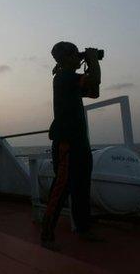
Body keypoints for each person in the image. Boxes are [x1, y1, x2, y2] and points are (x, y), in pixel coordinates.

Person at [41, 41, 102, 250]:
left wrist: (91, 64)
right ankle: (47, 232)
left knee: (82, 186)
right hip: (67, 143)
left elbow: (94, 91)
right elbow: (94, 78)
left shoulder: (70, 80)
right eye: (76, 54)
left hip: (79, 141)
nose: (79, 57)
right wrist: (92, 60)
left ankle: (84, 228)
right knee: (62, 187)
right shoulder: (64, 78)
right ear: (66, 58)